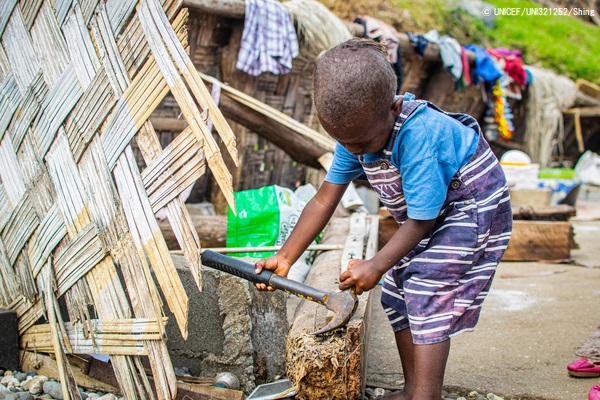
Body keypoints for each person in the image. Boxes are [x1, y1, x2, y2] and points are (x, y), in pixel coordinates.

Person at [254, 38, 512, 400]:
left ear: (393, 108)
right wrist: (285, 257)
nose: (356, 151)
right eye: (345, 143)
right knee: (395, 290)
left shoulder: (417, 135)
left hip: (472, 206)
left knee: (425, 286)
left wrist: (375, 263)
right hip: (435, 211)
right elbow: (325, 198)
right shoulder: (355, 134)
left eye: (362, 143)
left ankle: (426, 394)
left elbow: (422, 221)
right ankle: (412, 390)